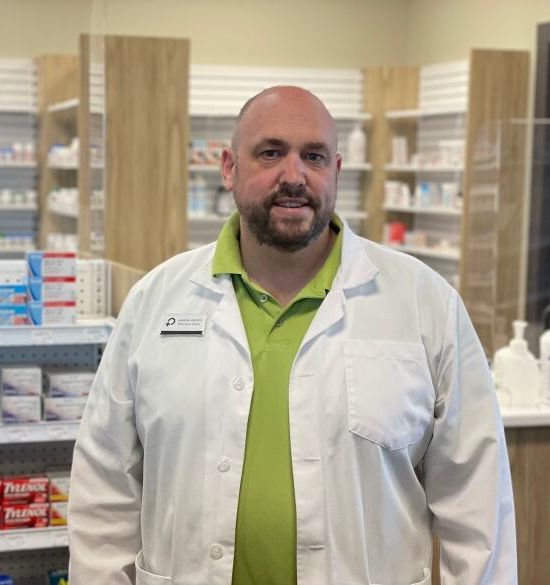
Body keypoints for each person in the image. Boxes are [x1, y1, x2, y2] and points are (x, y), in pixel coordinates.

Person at [67, 86, 516, 585]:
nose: (294, 176)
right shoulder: (156, 300)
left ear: (337, 171)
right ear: (229, 168)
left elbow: (478, 508)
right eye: (271, 152)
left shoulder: (424, 303)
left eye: (315, 156)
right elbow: (103, 487)